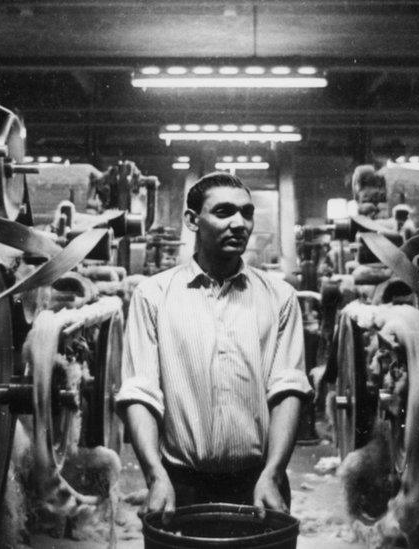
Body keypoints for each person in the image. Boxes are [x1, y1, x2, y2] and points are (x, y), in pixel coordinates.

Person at [116, 172, 312, 522]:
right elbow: (140, 394)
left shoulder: (280, 298)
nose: (239, 223)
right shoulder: (154, 296)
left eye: (246, 213)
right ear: (192, 220)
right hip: (179, 487)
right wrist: (155, 476)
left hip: (258, 486)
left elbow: (287, 390)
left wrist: (274, 472)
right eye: (223, 212)